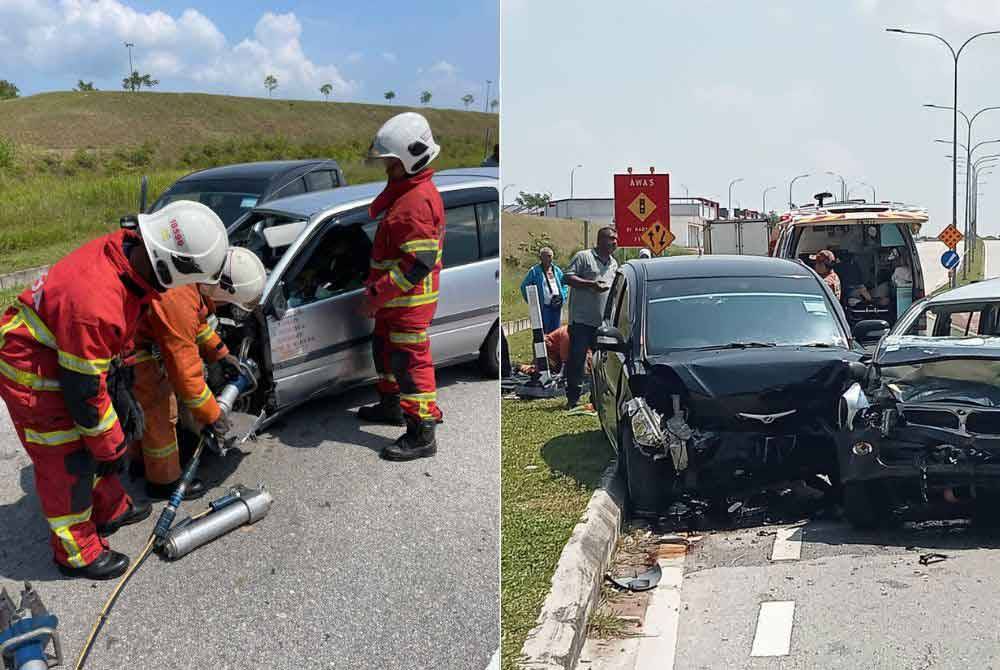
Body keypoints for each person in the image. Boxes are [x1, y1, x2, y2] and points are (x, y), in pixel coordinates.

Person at [0, 201, 228, 580]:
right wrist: (108, 444)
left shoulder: (128, 256)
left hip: (73, 356)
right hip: (34, 373)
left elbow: (116, 332)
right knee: (69, 460)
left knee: (103, 439)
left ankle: (110, 509)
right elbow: (84, 391)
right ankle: (76, 551)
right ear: (170, 266)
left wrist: (120, 389)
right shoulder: (94, 300)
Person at [130, 247, 266, 500]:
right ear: (223, 289)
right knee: (159, 413)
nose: (224, 307)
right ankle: (163, 482)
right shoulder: (177, 299)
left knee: (143, 412)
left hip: (136, 344)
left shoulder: (192, 278)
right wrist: (213, 416)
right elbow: (186, 374)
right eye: (229, 302)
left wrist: (221, 354)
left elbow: (198, 325)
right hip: (136, 353)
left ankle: (141, 462)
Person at [357, 112, 446, 461]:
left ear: (410, 160)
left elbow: (417, 265)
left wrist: (375, 297)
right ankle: (390, 405)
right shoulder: (405, 191)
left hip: (407, 304)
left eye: (391, 163)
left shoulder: (415, 204)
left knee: (410, 365)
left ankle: (421, 433)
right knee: (383, 351)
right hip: (393, 304)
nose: (386, 169)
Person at [563, 226, 619, 409]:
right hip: (581, 321)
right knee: (577, 361)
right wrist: (590, 285)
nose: (615, 242)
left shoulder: (613, 263)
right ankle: (573, 399)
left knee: (601, 362)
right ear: (601, 240)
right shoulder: (584, 257)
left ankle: (597, 398)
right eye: (612, 239)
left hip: (602, 324)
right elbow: (567, 277)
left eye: (616, 239)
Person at [519, 247, 567, 333]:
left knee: (556, 331)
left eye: (550, 256)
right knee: (543, 332)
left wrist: (563, 297)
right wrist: (532, 302)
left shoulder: (556, 270)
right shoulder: (534, 271)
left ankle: (554, 346)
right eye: (546, 256)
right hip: (544, 307)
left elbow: (564, 284)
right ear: (541, 258)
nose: (548, 259)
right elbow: (524, 286)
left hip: (556, 306)